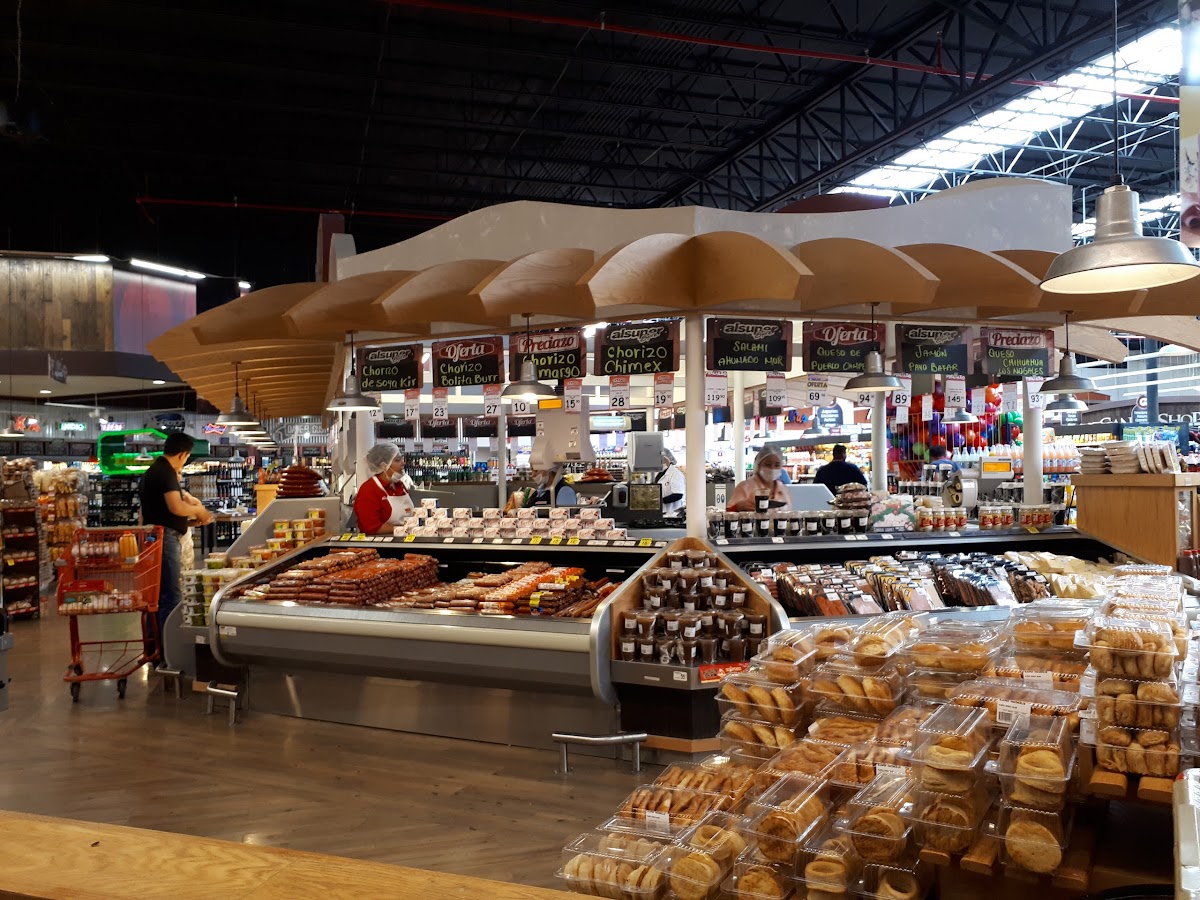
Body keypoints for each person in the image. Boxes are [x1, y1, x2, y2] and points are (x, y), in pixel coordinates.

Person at [139, 432, 212, 662]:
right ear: (182, 454)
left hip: (155, 537)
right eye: (187, 457)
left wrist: (188, 522)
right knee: (171, 596)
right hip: (165, 539)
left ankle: (154, 649)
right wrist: (199, 511)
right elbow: (175, 508)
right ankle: (169, 653)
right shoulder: (166, 472)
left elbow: (161, 512)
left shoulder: (153, 471)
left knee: (157, 597)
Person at [354, 443, 415, 534]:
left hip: (405, 538)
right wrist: (404, 528)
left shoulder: (399, 485)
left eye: (402, 459)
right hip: (381, 542)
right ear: (383, 465)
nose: (403, 463)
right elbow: (372, 528)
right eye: (397, 460)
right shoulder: (369, 490)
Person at [727, 447, 791, 511]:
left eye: (777, 465)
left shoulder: (783, 489)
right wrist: (737, 507)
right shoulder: (745, 487)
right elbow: (728, 513)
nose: (772, 468)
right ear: (758, 465)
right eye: (768, 464)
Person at [656, 448, 686, 516]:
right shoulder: (661, 473)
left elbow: (678, 494)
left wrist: (660, 501)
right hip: (663, 511)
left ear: (667, 459)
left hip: (673, 512)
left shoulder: (675, 474)